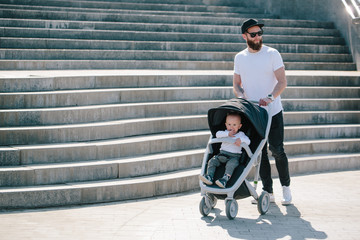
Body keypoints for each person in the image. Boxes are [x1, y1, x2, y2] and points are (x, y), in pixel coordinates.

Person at [232, 18, 292, 205]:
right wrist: (241, 95)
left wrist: (270, 97)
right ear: (245, 36)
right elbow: (236, 84)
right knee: (259, 152)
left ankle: (286, 188)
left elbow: (282, 82)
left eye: (260, 33)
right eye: (253, 34)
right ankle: (268, 191)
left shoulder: (272, 54)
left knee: (277, 150)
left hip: (272, 110)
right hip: (253, 113)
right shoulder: (240, 57)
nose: (258, 37)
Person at [199, 113, 250, 188]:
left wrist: (241, 140)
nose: (231, 127)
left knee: (231, 165)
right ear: (226, 125)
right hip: (222, 155)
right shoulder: (224, 133)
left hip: (234, 157)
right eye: (229, 124)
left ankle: (224, 179)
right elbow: (217, 134)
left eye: (234, 125)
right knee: (212, 161)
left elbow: (248, 141)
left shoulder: (241, 135)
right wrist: (227, 134)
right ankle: (209, 176)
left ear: (239, 126)